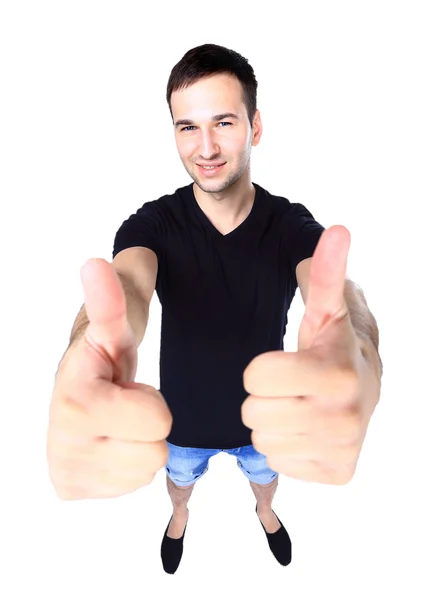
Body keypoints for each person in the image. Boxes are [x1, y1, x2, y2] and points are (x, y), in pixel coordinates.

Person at [47, 44, 383, 576]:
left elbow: (335, 292)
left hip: (266, 423)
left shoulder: (291, 226)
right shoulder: (150, 226)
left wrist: (360, 343)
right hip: (182, 421)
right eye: (187, 127)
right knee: (179, 489)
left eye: (223, 122)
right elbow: (127, 288)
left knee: (267, 484)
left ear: (255, 127)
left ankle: (266, 514)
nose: (205, 146)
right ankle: (178, 520)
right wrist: (89, 344)